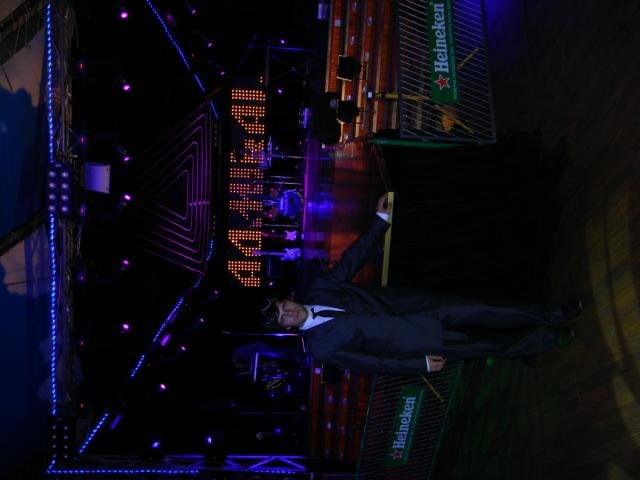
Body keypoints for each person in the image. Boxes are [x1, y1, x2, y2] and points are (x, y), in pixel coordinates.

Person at [260, 194, 581, 375]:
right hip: (418, 341)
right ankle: (546, 338)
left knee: (487, 309)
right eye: (284, 317)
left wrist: (380, 222)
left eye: (283, 306)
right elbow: (372, 363)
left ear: (287, 298)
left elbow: (352, 259)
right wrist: (419, 364)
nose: (289, 312)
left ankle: (552, 314)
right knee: (487, 346)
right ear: (287, 328)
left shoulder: (319, 288)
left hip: (420, 306)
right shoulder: (322, 349)